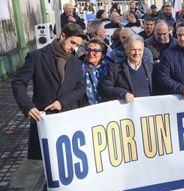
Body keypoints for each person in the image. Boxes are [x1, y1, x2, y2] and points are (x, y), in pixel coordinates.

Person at [12, 23, 87, 160]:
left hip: (68, 120)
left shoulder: (77, 63)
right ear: (62, 36)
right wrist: (27, 107)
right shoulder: (36, 57)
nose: (73, 47)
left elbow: (81, 88)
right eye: (72, 42)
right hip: (43, 120)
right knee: (44, 165)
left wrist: (62, 102)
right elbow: (18, 83)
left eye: (77, 45)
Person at [99, 34, 153, 101]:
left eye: (140, 50)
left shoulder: (151, 68)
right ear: (125, 50)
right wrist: (122, 93)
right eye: (133, 49)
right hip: (126, 110)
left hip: (148, 109)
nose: (137, 53)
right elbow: (104, 88)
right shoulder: (115, 68)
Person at [80, 38, 109, 106]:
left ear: (103, 54)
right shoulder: (79, 67)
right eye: (88, 50)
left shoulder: (111, 68)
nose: (91, 53)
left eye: (95, 51)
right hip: (87, 107)